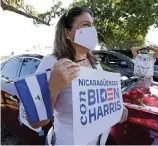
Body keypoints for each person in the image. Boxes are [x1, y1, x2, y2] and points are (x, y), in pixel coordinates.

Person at [29, 6, 128, 145]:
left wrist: (117, 106)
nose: (92, 30)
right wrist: (53, 89)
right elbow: (35, 121)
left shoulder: (95, 64)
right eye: (86, 25)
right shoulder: (52, 63)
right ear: (68, 33)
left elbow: (101, 100)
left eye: (93, 25)